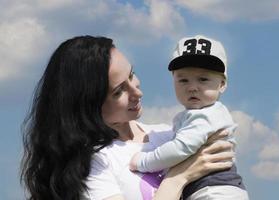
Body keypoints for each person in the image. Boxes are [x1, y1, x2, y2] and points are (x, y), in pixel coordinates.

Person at [20, 35, 236, 200]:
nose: (137, 92)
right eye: (118, 91)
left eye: (132, 74)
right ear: (88, 104)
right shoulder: (91, 163)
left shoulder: (167, 134)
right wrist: (179, 177)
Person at [130, 34, 249, 199]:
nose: (193, 87)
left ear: (222, 84)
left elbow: (180, 148)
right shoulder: (210, 112)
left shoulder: (204, 116)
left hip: (213, 191)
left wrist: (144, 162)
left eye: (203, 79)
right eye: (183, 80)